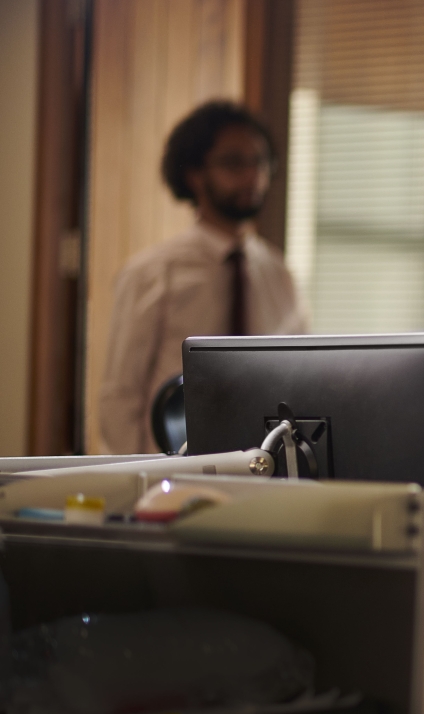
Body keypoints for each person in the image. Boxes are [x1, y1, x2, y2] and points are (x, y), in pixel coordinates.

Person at [99, 100, 307, 454]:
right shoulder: (152, 273)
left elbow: (302, 380)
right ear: (195, 174)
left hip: (261, 470)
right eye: (233, 163)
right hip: (171, 472)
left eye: (260, 162)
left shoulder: (280, 276)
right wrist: (140, 484)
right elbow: (120, 396)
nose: (252, 176)